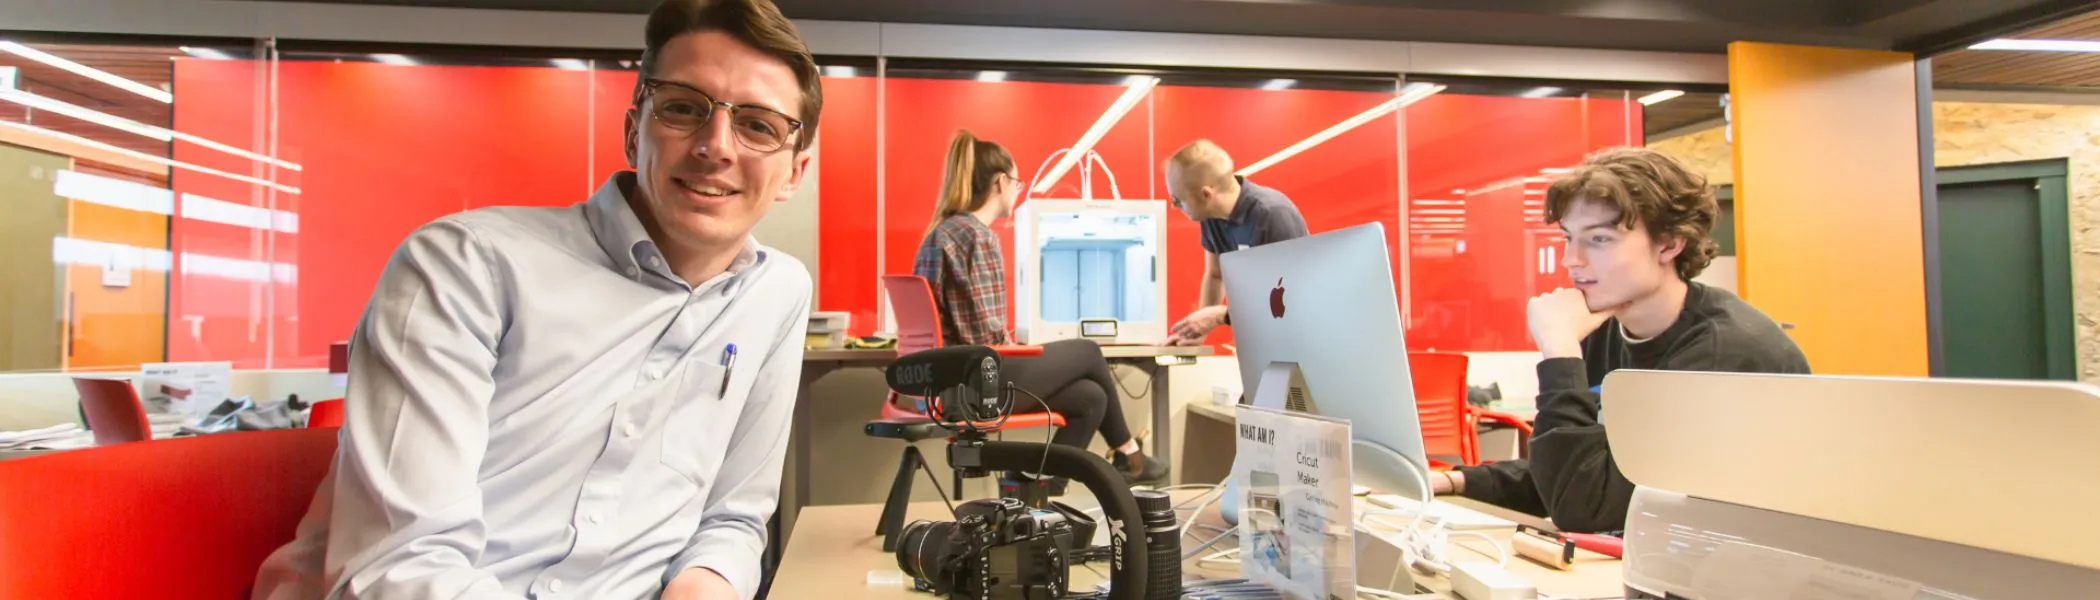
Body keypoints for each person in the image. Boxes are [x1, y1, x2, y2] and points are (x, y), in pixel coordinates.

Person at [252, 1, 820, 598]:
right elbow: (397, 570)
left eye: (759, 126)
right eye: (683, 108)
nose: (716, 146)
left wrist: (704, 584)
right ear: (634, 133)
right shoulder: (465, 265)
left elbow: (732, 518)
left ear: (793, 173)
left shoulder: (776, 293)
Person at [1430, 147, 1810, 533]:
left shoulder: (1725, 352)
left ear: (1670, 244)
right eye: (1569, 238)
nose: (1571, 259)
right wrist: (1453, 481)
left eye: (1599, 239)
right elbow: (1573, 472)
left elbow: (1585, 504)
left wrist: (1560, 352)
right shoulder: (1605, 330)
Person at [912, 129, 1168, 484]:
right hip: (977, 387)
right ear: (1001, 182)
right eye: (1017, 183)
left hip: (944, 388)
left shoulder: (942, 231)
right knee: (1088, 351)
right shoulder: (977, 236)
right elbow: (983, 339)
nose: (1017, 191)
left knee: (1091, 399)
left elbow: (969, 329)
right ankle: (1129, 454)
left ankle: (1031, 487)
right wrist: (1019, 348)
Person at [1158, 139, 1309, 346]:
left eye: (1177, 200)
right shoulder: (1211, 215)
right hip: (1265, 337)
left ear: (1206, 194)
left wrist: (1221, 316)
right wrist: (1197, 332)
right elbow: (1215, 275)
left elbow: (1291, 298)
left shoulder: (1273, 215)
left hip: (1301, 338)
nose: (1174, 207)